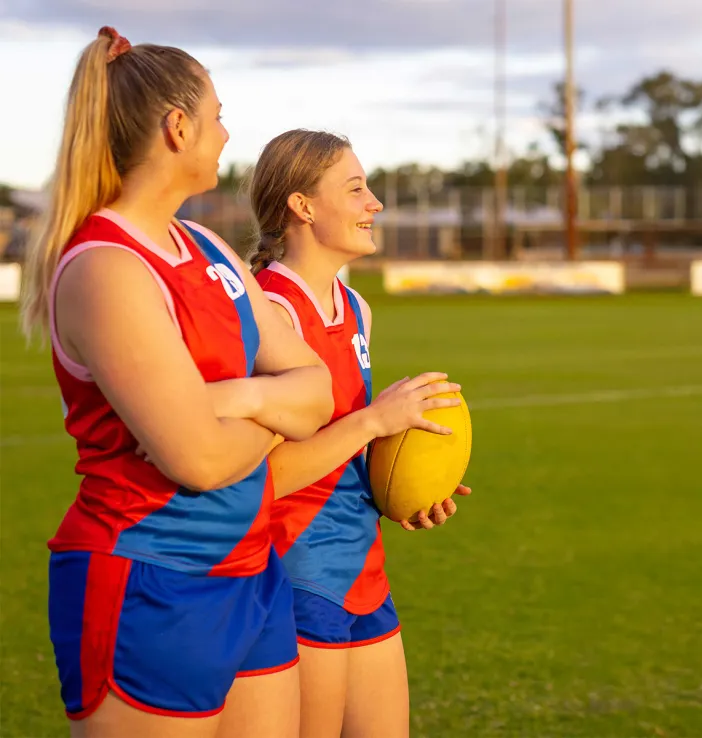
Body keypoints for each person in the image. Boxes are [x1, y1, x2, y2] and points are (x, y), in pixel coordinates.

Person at [18, 28, 334, 738]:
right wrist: (273, 406)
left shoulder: (209, 247)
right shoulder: (107, 268)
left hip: (252, 570)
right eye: (218, 114)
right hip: (148, 580)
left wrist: (242, 400)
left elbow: (319, 388)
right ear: (178, 127)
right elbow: (198, 460)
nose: (227, 132)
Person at [247, 129, 472, 738]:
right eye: (355, 188)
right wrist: (376, 420)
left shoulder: (357, 308)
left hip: (364, 570)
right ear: (303, 205)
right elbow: (256, 480)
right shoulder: (270, 313)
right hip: (295, 574)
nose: (375, 203)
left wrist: (405, 483)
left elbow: (346, 452)